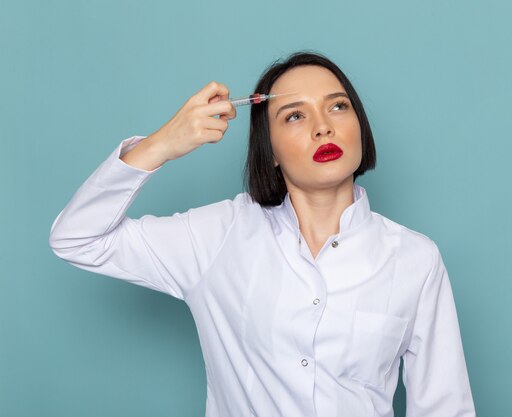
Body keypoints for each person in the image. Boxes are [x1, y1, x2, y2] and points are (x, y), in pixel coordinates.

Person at [49, 51, 476, 417]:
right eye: (294, 115)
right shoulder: (218, 237)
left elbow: (445, 407)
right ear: (268, 150)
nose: (322, 127)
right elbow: (77, 238)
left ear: (360, 126)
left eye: (338, 107)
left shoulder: (415, 259)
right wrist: (162, 144)